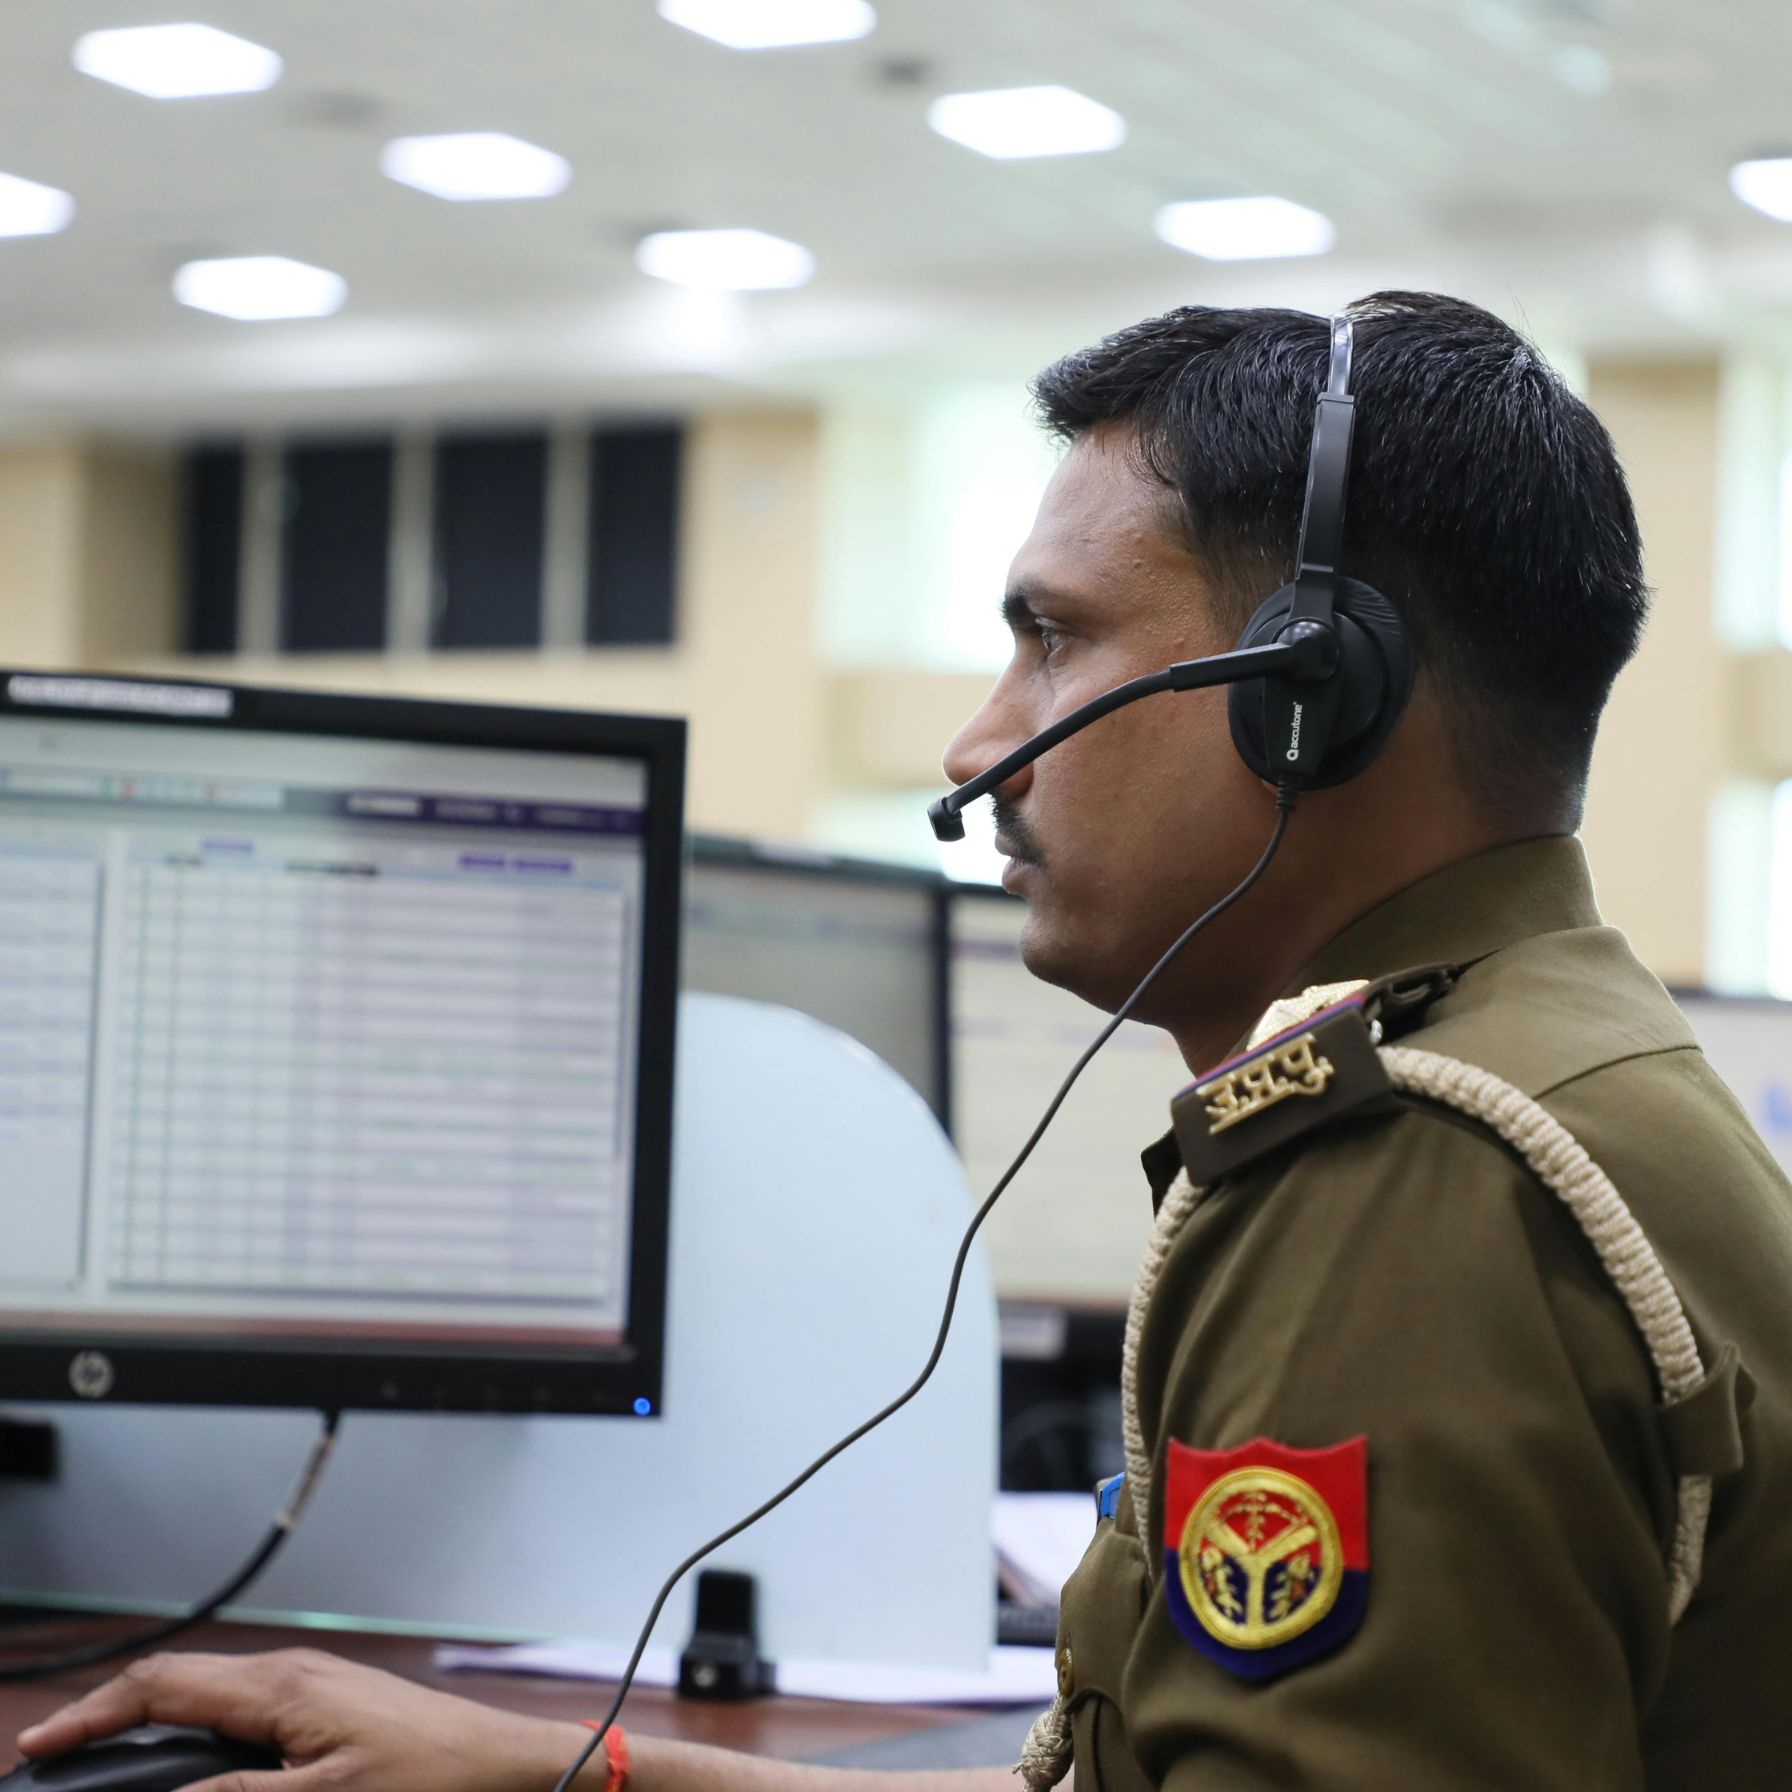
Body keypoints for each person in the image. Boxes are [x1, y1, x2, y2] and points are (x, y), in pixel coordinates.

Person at [16, 293, 1791, 1789]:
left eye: (1052, 642)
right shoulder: (1557, 1065)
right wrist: (575, 1764)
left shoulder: (1421, 1186)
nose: (974, 746)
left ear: (1309, 695)